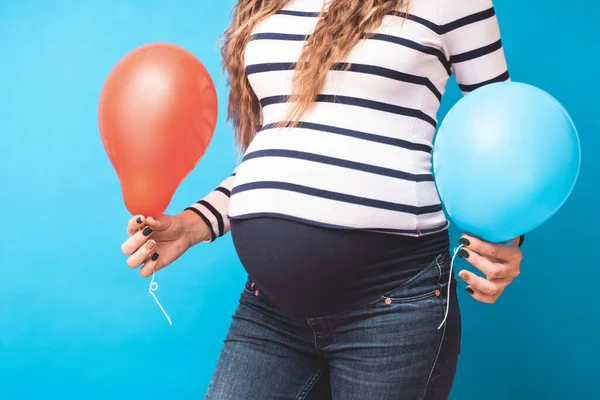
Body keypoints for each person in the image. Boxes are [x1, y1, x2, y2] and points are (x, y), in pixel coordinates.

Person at [120, 0, 524, 398]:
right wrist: (193, 225)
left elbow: (503, 136)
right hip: (271, 310)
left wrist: (506, 238)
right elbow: (281, 153)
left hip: (395, 306)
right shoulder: (264, 4)